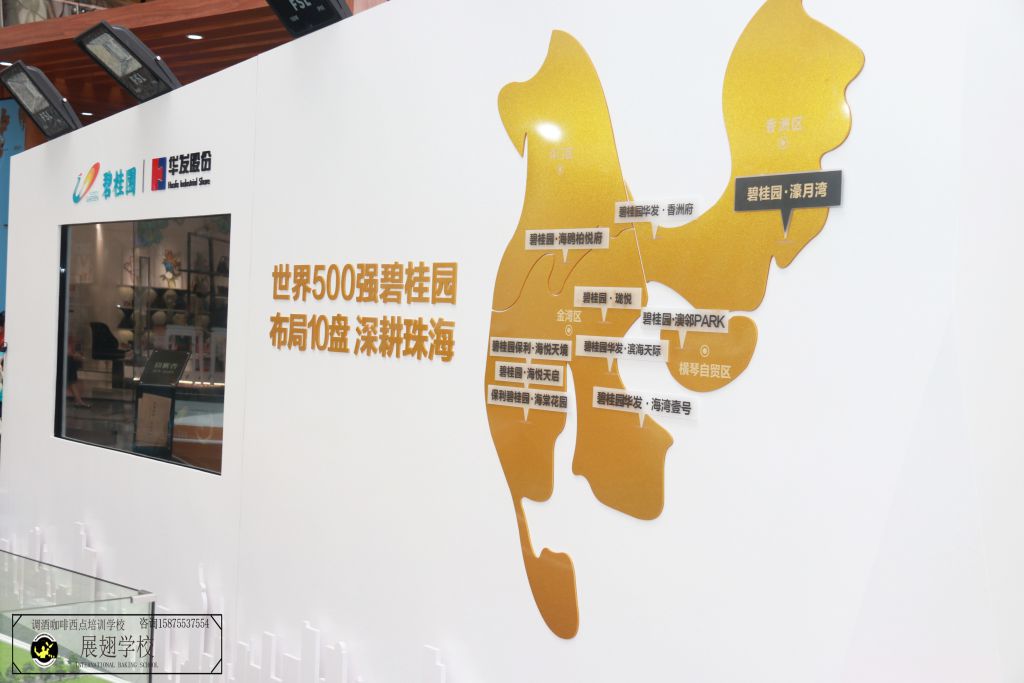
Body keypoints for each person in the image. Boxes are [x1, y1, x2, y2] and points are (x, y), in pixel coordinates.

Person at [66, 331, 90, 408]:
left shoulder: (70, 338)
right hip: (69, 360)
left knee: (72, 382)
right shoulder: (69, 338)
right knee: (72, 382)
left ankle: (78, 401)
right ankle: (78, 401)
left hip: (70, 360)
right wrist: (76, 355)